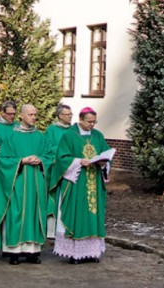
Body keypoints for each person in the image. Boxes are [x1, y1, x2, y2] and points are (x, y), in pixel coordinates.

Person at [50, 107, 113, 264]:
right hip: (76, 183)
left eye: (94, 122)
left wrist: (104, 163)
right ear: (81, 119)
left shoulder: (98, 135)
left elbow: (106, 152)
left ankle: (92, 252)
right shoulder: (69, 136)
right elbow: (62, 158)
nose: (92, 125)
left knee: (93, 215)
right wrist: (79, 161)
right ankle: (75, 253)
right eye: (89, 122)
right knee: (77, 214)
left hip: (94, 182)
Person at [0, 104, 52, 265]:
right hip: (18, 181)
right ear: (22, 116)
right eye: (30, 114)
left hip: (36, 183)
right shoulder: (12, 137)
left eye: (35, 114)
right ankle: (14, 252)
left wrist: (41, 160)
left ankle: (32, 252)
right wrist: (22, 161)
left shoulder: (40, 136)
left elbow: (49, 155)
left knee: (34, 213)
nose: (33, 117)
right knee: (16, 213)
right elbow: (3, 159)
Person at [44, 103, 73, 236]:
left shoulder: (74, 130)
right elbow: (49, 147)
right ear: (60, 115)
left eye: (71, 114)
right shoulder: (51, 130)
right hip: (57, 169)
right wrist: (64, 153)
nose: (70, 116)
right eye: (68, 114)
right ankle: (52, 230)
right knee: (56, 196)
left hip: (71, 168)